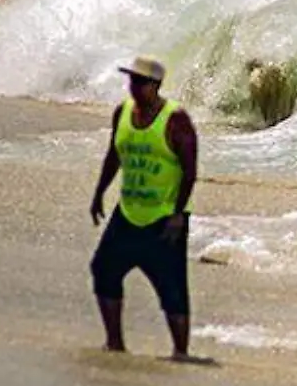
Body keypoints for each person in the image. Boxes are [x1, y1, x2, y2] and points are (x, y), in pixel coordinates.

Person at [88, 54, 207, 363]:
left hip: (164, 217)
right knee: (103, 269)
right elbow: (113, 155)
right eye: (131, 80)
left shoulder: (175, 119)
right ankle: (114, 342)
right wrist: (99, 193)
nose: (134, 87)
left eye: (140, 82)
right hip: (128, 210)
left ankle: (180, 352)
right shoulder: (123, 113)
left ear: (156, 86)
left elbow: (190, 170)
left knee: (171, 286)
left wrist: (178, 214)